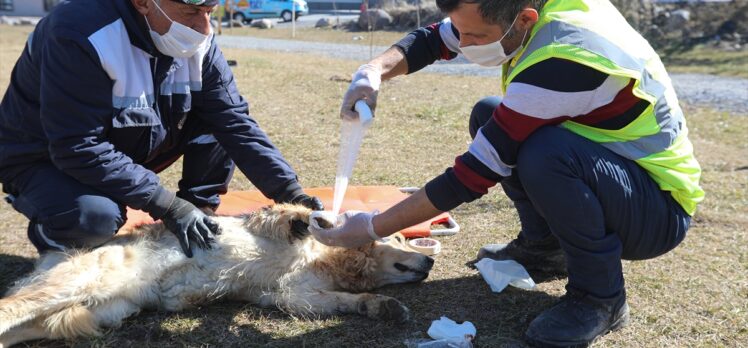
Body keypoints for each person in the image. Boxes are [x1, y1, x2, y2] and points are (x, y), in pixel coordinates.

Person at [310, 0, 704, 346]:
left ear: (525, 20)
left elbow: (472, 174)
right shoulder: (522, 9)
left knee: (542, 152)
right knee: (490, 113)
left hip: (657, 209)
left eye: (476, 36)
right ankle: (545, 249)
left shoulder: (566, 56)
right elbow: (434, 39)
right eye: (462, 32)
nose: (463, 45)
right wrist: (373, 71)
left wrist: (371, 227)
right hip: (617, 173)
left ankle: (601, 299)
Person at [0, 0, 323, 258]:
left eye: (210, 11)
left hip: (124, 144)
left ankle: (199, 213)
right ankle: (54, 234)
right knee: (93, 218)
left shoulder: (197, 40)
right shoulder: (80, 33)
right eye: (191, 11)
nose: (203, 27)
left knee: (216, 119)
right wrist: (166, 204)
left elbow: (234, 121)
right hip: (43, 157)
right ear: (143, 3)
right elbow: (76, 145)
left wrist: (290, 194)